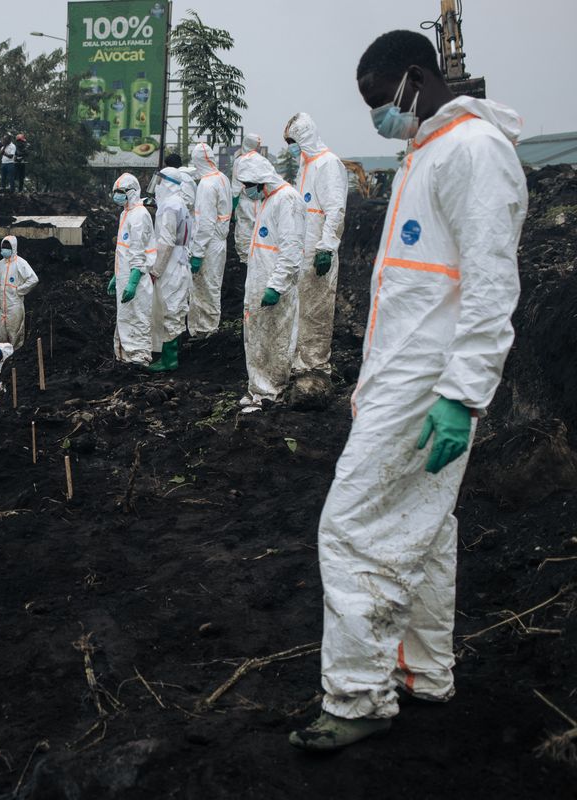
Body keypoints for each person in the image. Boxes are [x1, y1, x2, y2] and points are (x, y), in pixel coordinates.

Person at [288, 30, 527, 752]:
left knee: (353, 526)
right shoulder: (428, 151)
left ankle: (358, 696)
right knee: (426, 528)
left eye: (379, 102)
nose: (376, 118)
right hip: (405, 376)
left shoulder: (473, 153)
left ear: (415, 79)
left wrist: (464, 393)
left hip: (430, 382)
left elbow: (492, 286)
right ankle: (423, 670)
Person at [235, 156, 305, 411]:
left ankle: (271, 392)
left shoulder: (287, 200)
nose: (246, 189)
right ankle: (257, 389)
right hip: (259, 282)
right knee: (256, 338)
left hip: (274, 285)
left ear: (261, 181)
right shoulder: (268, 199)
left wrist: (276, 285)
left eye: (248, 184)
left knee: (275, 338)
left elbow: (291, 249)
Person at [283, 112, 348, 378]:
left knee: (317, 309)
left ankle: (315, 364)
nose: (291, 147)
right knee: (302, 308)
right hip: (302, 249)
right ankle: (300, 358)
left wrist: (327, 247)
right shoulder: (306, 165)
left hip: (318, 249)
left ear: (305, 137)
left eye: (293, 141)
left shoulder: (328, 164)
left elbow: (335, 210)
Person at [105, 173, 155, 366]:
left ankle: (140, 359)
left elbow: (139, 251)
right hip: (125, 275)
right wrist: (117, 276)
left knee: (138, 317)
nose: (117, 195)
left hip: (137, 278)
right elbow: (123, 250)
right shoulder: (125, 214)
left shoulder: (140, 215)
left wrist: (133, 280)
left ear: (132, 192)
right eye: (115, 191)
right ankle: (125, 357)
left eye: (121, 191)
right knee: (125, 317)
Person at [148, 166, 193, 372]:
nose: (156, 186)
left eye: (159, 181)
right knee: (174, 308)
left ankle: (169, 359)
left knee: (170, 309)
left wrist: (155, 270)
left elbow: (165, 243)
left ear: (167, 183)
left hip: (171, 264)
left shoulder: (169, 207)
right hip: (180, 261)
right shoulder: (179, 203)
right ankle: (170, 355)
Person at [187, 142, 232, 337]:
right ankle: (207, 327)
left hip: (208, 243)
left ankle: (205, 330)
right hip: (218, 241)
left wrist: (197, 253)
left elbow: (205, 224)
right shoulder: (222, 178)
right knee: (212, 284)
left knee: (205, 287)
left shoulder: (206, 184)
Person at [0, 236, 39, 350]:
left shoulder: (20, 263)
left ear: (13, 248)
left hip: (14, 306)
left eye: (7, 247)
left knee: (15, 337)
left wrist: (19, 290)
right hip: (2, 308)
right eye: (3, 247)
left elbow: (33, 279)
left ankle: (15, 362)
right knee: (3, 338)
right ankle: (4, 364)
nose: (4, 249)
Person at [230, 133, 265, 266]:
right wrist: (233, 208)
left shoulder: (261, 161)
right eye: (257, 145)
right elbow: (236, 187)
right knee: (244, 239)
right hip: (245, 203)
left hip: (258, 203)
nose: (258, 148)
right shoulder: (240, 161)